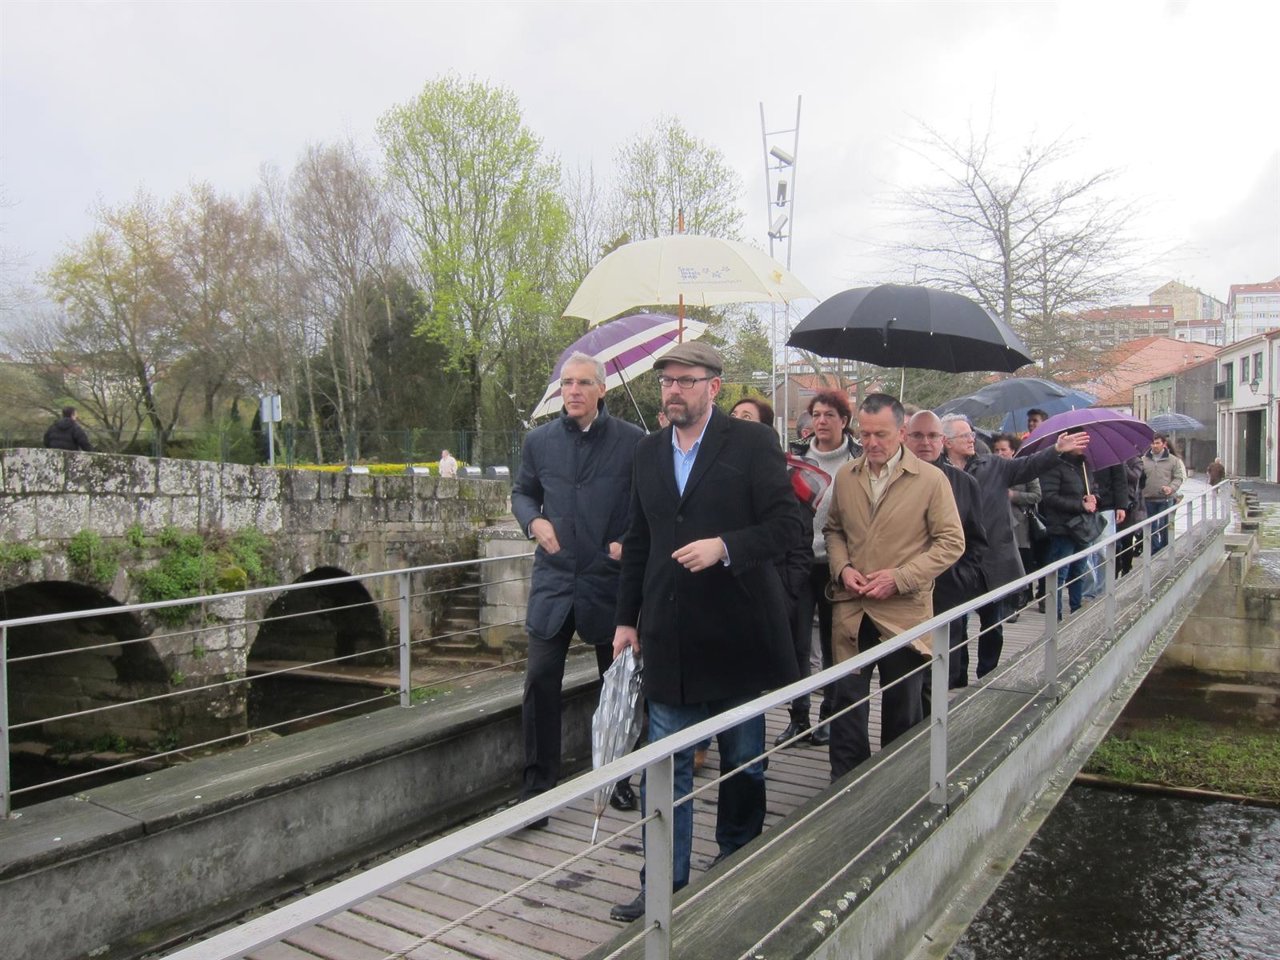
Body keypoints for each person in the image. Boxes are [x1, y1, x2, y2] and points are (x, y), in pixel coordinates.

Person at [609, 341, 803, 922]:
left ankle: (736, 864)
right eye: (666, 381)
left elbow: (789, 526)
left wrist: (725, 546)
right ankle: (662, 884)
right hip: (670, 637)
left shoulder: (752, 442)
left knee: (744, 762)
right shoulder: (646, 451)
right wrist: (625, 619)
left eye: (685, 380)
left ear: (714, 387)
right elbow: (638, 540)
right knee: (665, 770)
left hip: (738, 633)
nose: (673, 390)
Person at [511, 352, 645, 824]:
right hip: (554, 581)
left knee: (619, 686)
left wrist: (627, 541)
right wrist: (534, 521)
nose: (572, 391)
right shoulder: (539, 441)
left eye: (583, 383)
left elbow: (646, 502)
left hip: (608, 582)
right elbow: (522, 493)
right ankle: (537, 792)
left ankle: (618, 779)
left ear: (601, 389)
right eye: (566, 383)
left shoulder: (633, 441)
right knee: (539, 681)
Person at [823, 394, 965, 781]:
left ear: (901, 432)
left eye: (881, 435)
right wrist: (843, 568)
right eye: (865, 434)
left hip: (904, 612)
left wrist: (899, 578)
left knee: (902, 703)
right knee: (847, 701)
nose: (871, 443)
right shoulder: (847, 476)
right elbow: (834, 530)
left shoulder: (930, 480)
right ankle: (846, 784)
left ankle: (895, 783)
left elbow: (952, 542)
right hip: (852, 607)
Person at [940, 414, 1089, 678]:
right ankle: (956, 675)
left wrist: (1056, 449)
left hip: (992, 557)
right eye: (964, 436)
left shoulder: (993, 465)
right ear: (947, 441)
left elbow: (1028, 466)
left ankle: (988, 674)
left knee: (992, 623)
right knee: (955, 624)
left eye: (971, 434)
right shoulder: (938, 472)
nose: (971, 439)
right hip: (955, 560)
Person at [779, 390, 863, 747]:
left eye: (829, 414)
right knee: (797, 644)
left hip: (839, 564)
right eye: (816, 414)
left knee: (834, 642)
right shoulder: (795, 458)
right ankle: (798, 717)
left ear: (844, 420)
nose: (822, 421)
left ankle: (829, 714)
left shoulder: (859, 459)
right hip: (799, 562)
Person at [905, 411, 988, 694]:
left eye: (932, 436)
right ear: (905, 437)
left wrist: (962, 580)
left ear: (943, 440)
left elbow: (976, 539)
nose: (925, 442)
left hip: (947, 592)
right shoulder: (892, 480)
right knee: (907, 680)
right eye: (917, 435)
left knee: (941, 675)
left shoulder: (964, 483)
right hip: (903, 593)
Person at [1039, 442, 1099, 618]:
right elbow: (1049, 497)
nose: (1083, 445)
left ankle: (1076, 609)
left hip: (1083, 527)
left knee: (1078, 571)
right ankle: (1055, 616)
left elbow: (1093, 488)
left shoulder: (1084, 465)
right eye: (1079, 441)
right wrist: (1080, 505)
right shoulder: (1054, 465)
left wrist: (1094, 498)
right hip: (1063, 528)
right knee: (1059, 574)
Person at [992, 433, 1041, 617]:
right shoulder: (989, 471)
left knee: (1020, 566)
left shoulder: (1024, 470)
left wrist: (1014, 496)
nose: (999, 454)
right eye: (996, 450)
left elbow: (1036, 495)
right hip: (996, 526)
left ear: (1012, 451)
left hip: (1020, 527)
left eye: (1003, 450)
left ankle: (1017, 603)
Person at [1142, 434, 1186, 554]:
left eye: (1157, 443)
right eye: (1152, 443)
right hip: (1148, 498)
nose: (1154, 446)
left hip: (1166, 499)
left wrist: (1171, 488)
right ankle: (1154, 550)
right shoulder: (1144, 460)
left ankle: (1166, 549)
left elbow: (1178, 477)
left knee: (1165, 524)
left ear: (1164, 444)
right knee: (1150, 527)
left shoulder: (1173, 460)